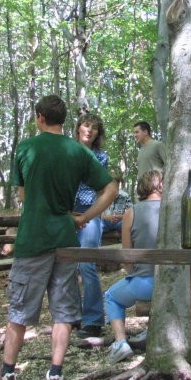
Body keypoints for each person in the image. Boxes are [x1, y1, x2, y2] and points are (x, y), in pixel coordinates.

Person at [1, 95, 117, 380]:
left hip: (32, 239)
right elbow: (110, 187)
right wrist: (84, 217)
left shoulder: (27, 147)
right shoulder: (76, 151)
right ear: (64, 120)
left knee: (20, 309)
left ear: (40, 117)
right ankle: (55, 373)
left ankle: (8, 373)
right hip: (66, 239)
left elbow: (24, 195)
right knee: (63, 310)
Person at [104, 170, 162, 363]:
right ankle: (152, 330)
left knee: (111, 296)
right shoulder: (174, 210)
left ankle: (121, 343)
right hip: (173, 283)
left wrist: (132, 273)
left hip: (143, 283)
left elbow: (127, 256)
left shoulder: (131, 213)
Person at [73, 113, 110, 339]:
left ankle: (94, 319)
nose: (90, 130)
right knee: (67, 267)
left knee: (87, 265)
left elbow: (88, 175)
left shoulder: (100, 157)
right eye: (86, 125)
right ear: (78, 127)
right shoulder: (66, 149)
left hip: (89, 215)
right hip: (66, 215)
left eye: (95, 128)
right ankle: (72, 316)